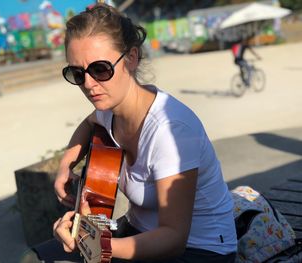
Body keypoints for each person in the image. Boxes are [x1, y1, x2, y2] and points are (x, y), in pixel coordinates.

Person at [20, 3, 237, 263]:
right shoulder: (109, 109)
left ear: (131, 58)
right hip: (137, 232)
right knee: (32, 259)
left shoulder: (171, 131)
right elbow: (89, 123)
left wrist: (94, 246)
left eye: (100, 69)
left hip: (200, 249)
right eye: (77, 73)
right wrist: (67, 165)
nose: (89, 84)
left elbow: (173, 238)